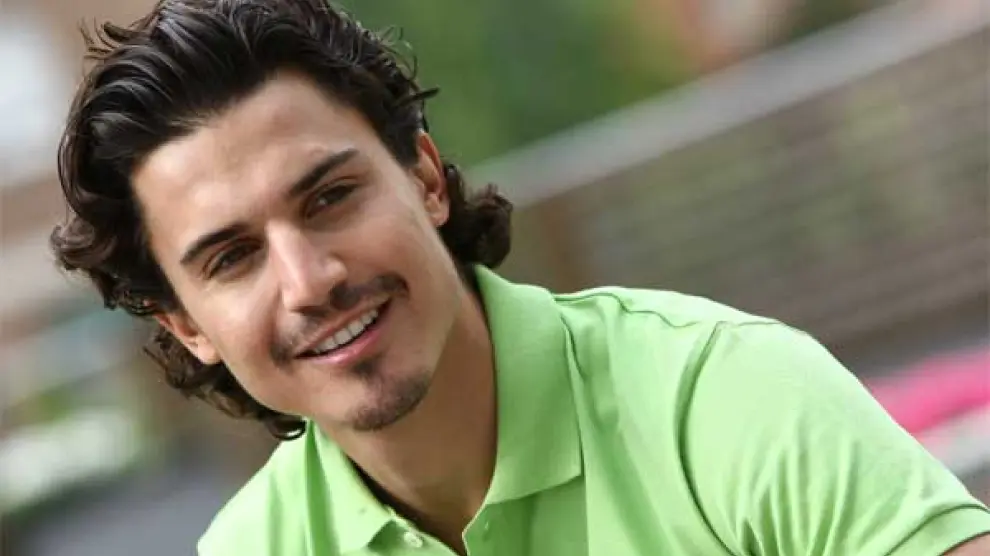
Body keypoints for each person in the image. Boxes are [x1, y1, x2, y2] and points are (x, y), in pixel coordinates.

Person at [50, 1, 990, 554]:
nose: (309, 279)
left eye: (330, 197)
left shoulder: (722, 396)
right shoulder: (258, 548)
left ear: (424, 178)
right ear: (186, 326)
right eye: (232, 257)